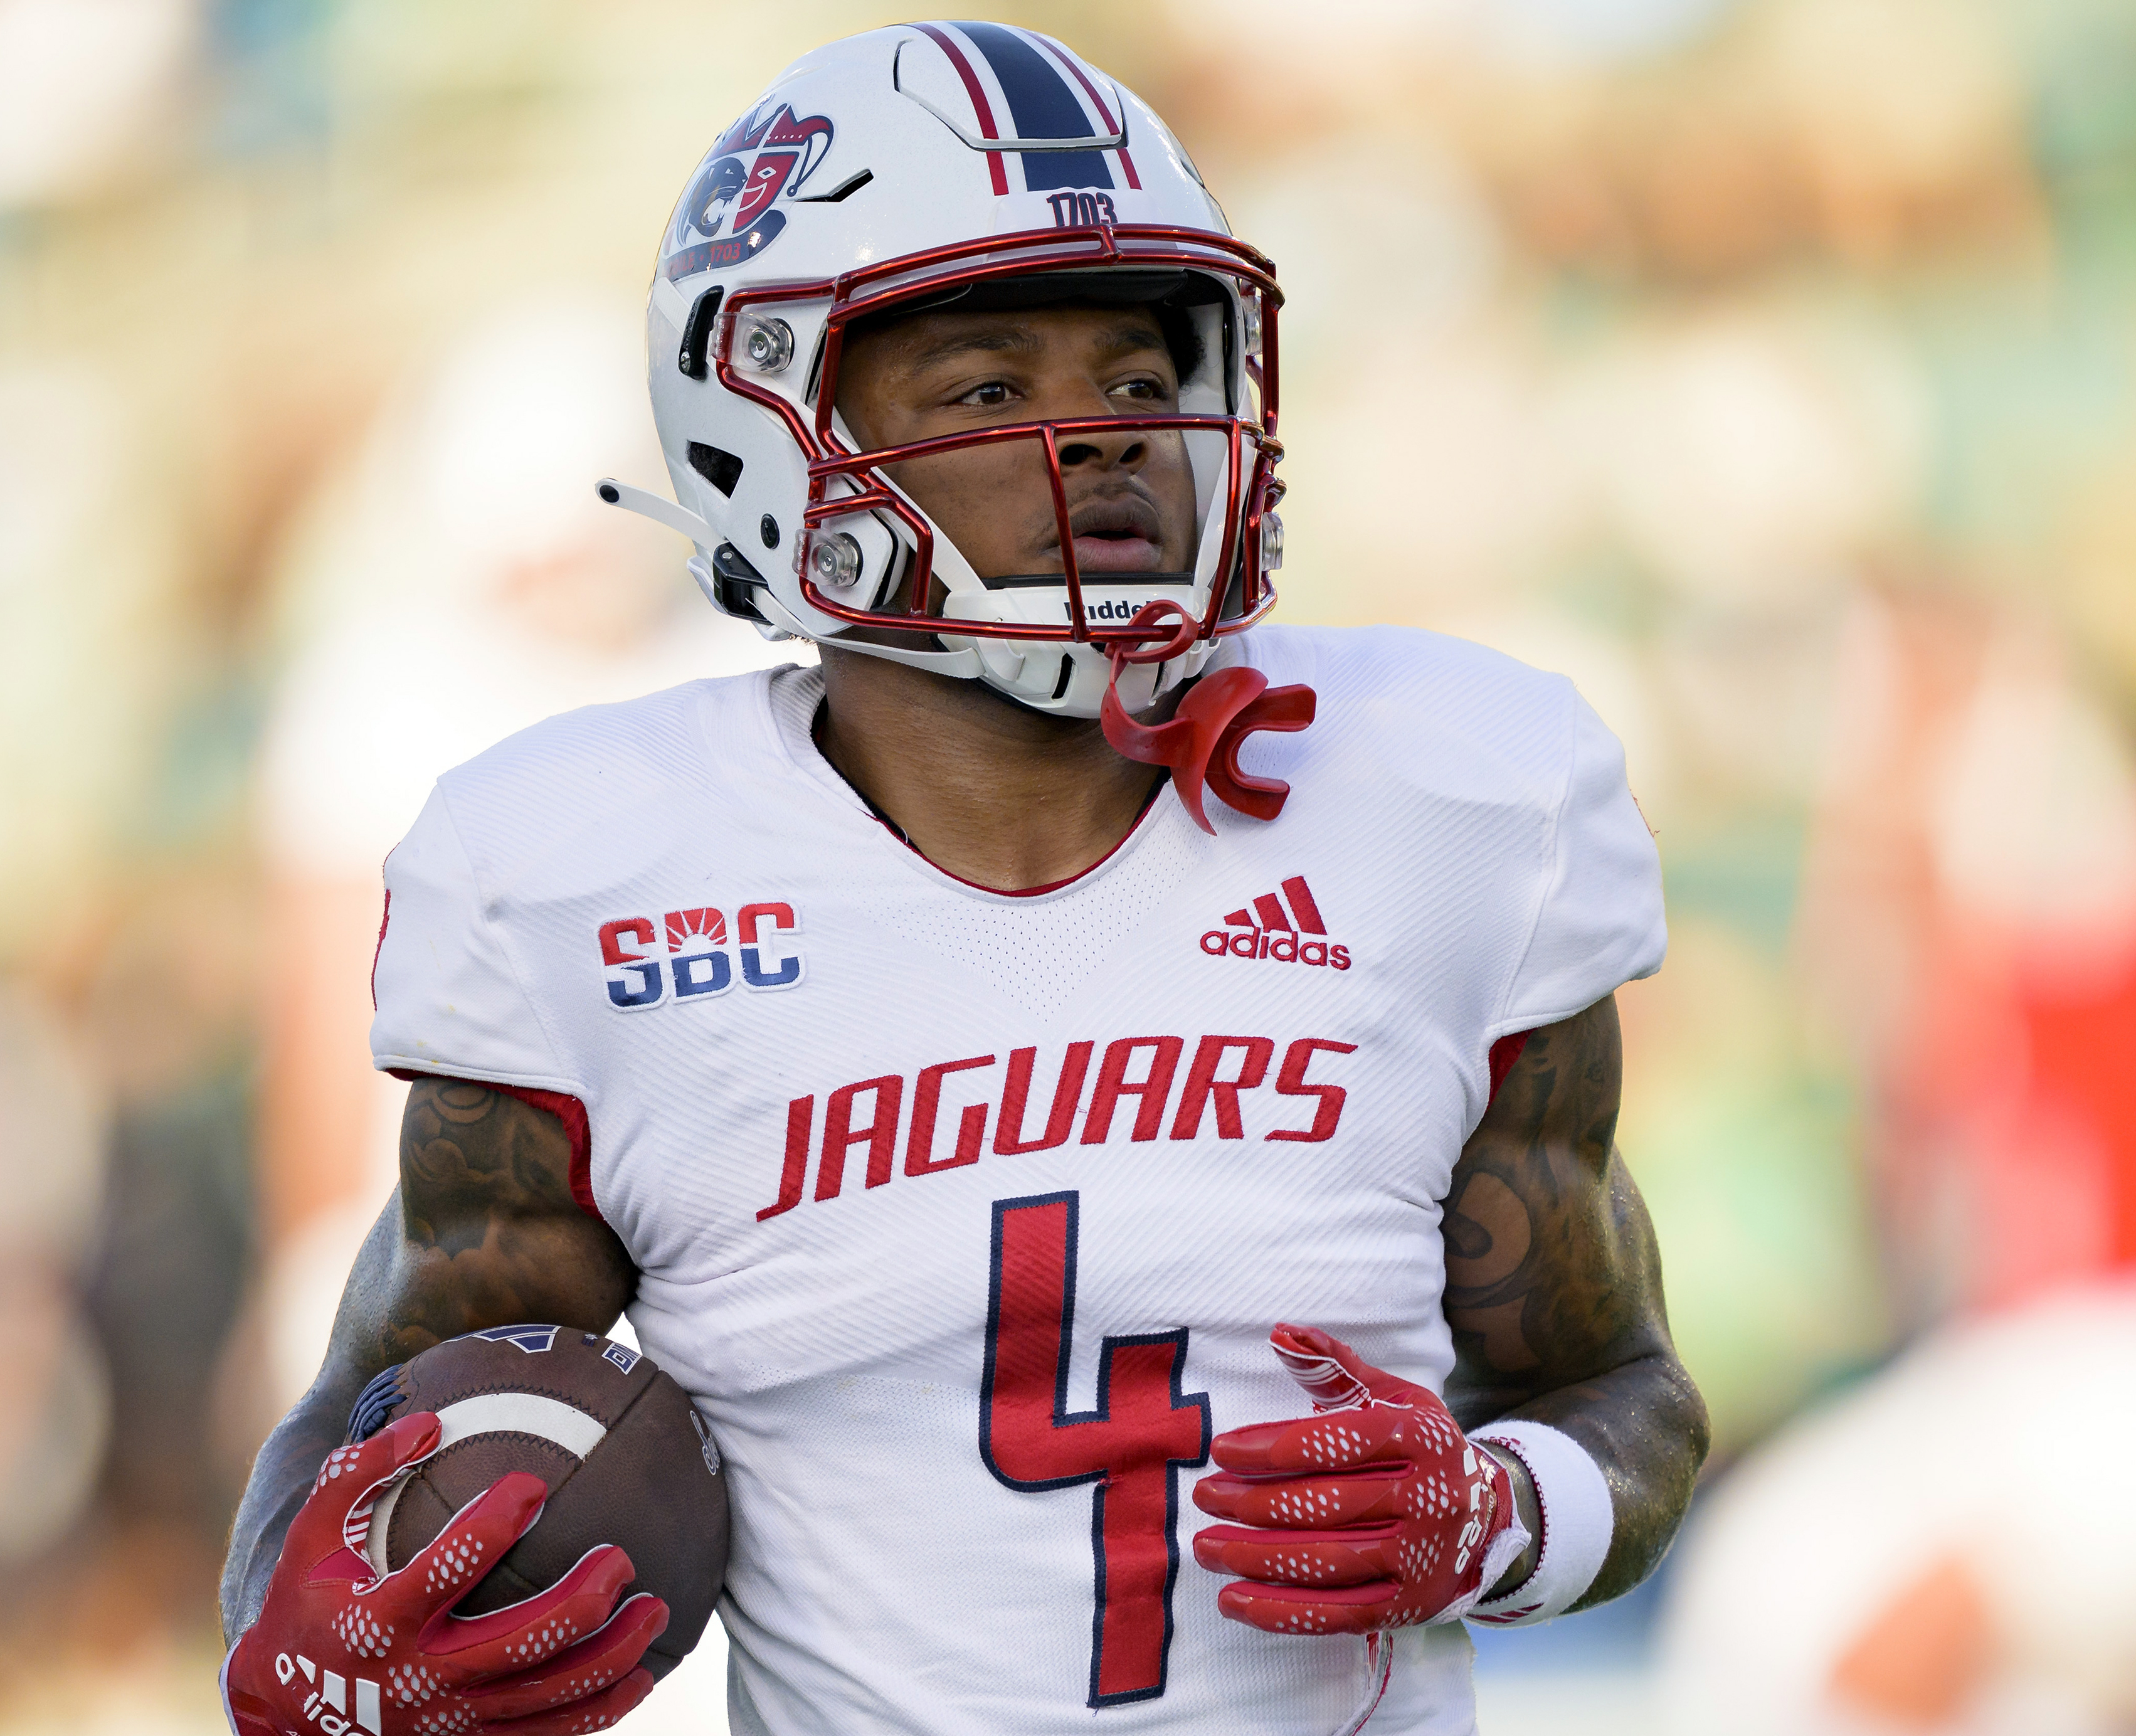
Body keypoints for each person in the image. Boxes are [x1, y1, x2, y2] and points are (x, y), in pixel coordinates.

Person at [218, 23, 1708, 1735]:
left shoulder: (1449, 795)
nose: (1110, 441)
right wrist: (311, 1635)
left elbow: (1620, 1387)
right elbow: (369, 1416)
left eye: (1144, 380)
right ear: (771, 433)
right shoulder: (591, 885)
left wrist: (1503, 1515)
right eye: (994, 388)